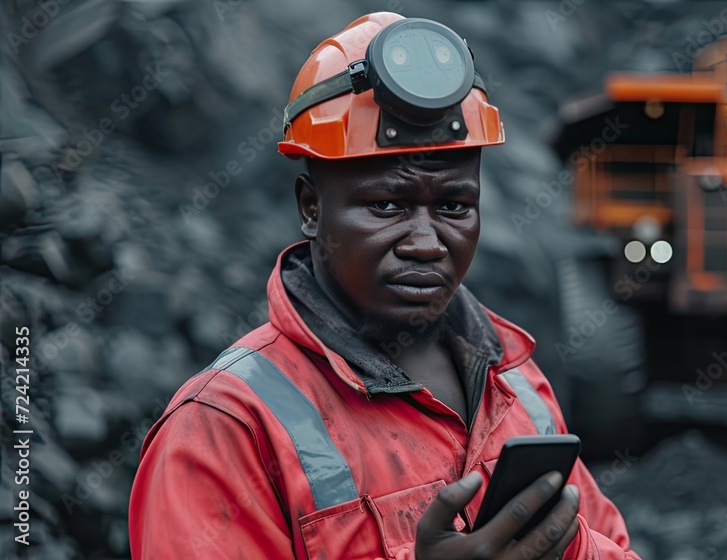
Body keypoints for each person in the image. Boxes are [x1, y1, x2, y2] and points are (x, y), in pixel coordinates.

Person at [128, 12, 641, 560]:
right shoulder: (225, 429)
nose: (426, 242)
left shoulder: (518, 385)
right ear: (311, 207)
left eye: (453, 206)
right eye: (387, 205)